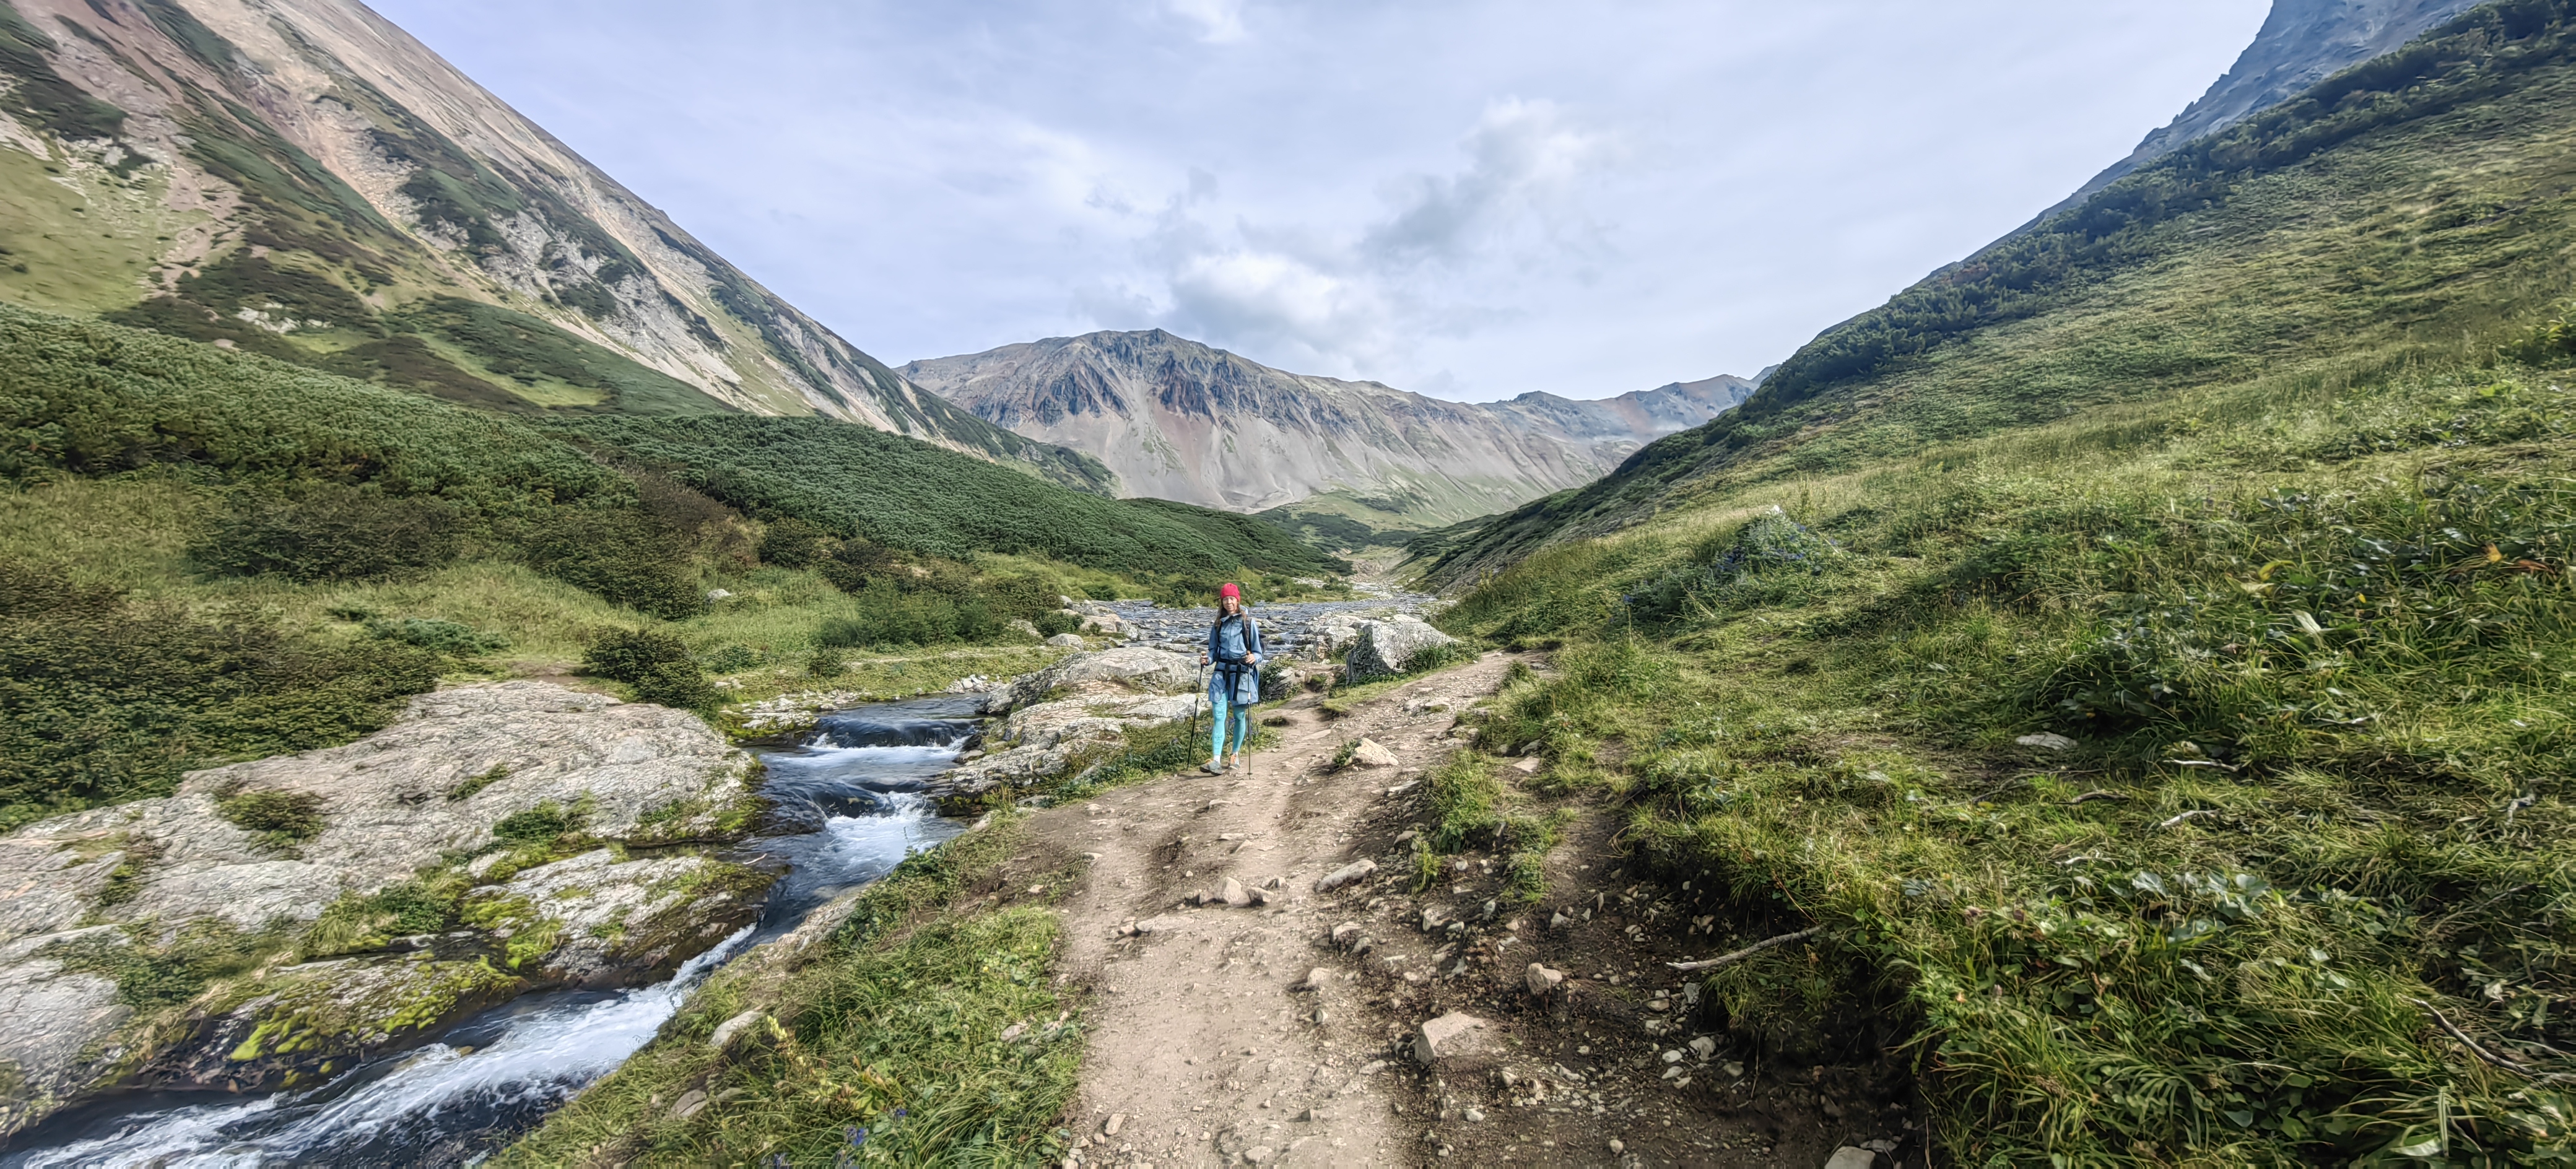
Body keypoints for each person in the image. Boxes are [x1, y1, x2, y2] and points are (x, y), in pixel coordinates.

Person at [1200, 581, 1263, 774]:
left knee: (1239, 716)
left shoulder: (1249, 624)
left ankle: (1235, 754)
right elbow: (1213, 651)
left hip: (1242, 674)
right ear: (1222, 601)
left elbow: (1259, 653)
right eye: (1225, 599)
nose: (1229, 602)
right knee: (1219, 716)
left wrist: (1254, 658)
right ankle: (1216, 760)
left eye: (1232, 599)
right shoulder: (1218, 624)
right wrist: (1207, 659)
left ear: (1238, 600)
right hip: (1221, 673)